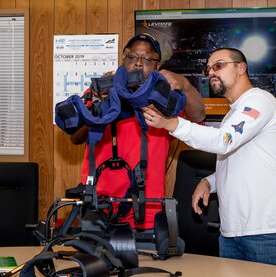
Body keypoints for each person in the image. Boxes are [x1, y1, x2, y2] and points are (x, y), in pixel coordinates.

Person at [142, 47, 276, 277]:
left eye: (219, 65)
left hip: (267, 231)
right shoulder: (234, 114)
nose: (211, 72)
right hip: (231, 232)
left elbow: (223, 141)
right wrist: (210, 182)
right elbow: (238, 160)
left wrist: (173, 123)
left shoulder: (259, 101)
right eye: (208, 69)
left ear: (241, 68)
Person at [70, 33, 205, 230]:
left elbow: (199, 115)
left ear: (158, 66)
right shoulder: (102, 90)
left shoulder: (163, 99)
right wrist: (102, 102)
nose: (139, 64)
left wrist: (184, 84)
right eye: (132, 57)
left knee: (147, 260)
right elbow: (75, 137)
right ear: (123, 62)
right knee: (93, 259)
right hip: (98, 205)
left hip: (146, 207)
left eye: (148, 59)